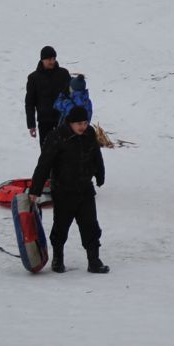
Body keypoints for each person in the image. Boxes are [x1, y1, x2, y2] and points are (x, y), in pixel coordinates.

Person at [30, 106, 108, 273]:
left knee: (90, 226)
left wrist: (100, 174)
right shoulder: (57, 137)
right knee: (61, 226)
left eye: (86, 122)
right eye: (79, 123)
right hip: (63, 191)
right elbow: (44, 165)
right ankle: (58, 259)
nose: (83, 126)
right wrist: (35, 190)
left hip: (85, 189)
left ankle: (94, 260)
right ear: (71, 123)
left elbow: (96, 154)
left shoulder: (89, 134)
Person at [25, 46, 74, 143]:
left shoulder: (63, 73)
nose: (52, 61)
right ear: (42, 59)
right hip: (44, 121)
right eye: (49, 59)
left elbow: (71, 96)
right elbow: (29, 103)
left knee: (65, 152)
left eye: (54, 59)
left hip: (63, 119)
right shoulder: (33, 78)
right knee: (46, 152)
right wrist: (31, 125)